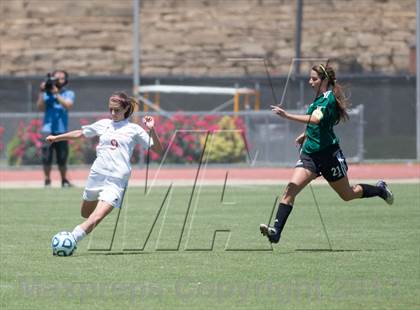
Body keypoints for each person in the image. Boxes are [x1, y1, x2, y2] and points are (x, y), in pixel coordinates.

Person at [260, 64, 394, 244]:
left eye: (314, 78)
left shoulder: (328, 98)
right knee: (290, 188)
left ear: (324, 80)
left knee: (347, 195)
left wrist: (286, 116)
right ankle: (276, 232)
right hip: (310, 156)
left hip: (329, 156)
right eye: (310, 78)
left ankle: (380, 190)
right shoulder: (317, 99)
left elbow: (316, 119)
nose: (310, 81)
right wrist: (305, 135)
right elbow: (317, 124)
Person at [46, 91, 163, 246]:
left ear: (126, 108)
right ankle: (76, 233)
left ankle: (71, 239)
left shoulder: (134, 129)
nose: (113, 113)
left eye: (117, 110)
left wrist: (151, 130)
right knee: (86, 213)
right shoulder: (104, 124)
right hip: (97, 175)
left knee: (98, 216)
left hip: (117, 179)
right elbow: (81, 133)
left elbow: (158, 150)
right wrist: (57, 138)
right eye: (111, 109)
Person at [37, 70, 75, 187]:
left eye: (61, 78)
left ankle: (64, 180)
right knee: (46, 157)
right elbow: (40, 107)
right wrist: (42, 92)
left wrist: (56, 94)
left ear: (66, 81)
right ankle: (47, 180)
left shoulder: (68, 93)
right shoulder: (46, 94)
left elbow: (68, 105)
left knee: (62, 157)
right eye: (56, 78)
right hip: (47, 129)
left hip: (61, 130)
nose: (58, 81)